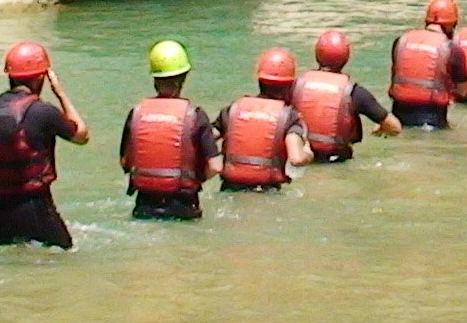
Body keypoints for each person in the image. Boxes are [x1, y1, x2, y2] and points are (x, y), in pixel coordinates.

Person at [0, 42, 88, 249]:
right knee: (64, 262)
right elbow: (81, 135)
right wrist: (60, 93)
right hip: (34, 207)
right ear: (42, 77)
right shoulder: (42, 112)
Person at [122, 40, 218, 219]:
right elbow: (215, 166)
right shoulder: (195, 115)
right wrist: (197, 179)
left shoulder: (136, 113)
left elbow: (125, 162)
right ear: (184, 77)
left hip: (144, 207)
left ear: (154, 79)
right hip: (184, 208)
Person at [294, 28, 399, 161]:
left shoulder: (296, 86)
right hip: (337, 162)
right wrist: (381, 130)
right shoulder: (354, 92)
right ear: (346, 58)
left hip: (301, 157)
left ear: (317, 54)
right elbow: (395, 127)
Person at [218, 50, 313, 192]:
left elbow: (208, 136)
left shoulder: (233, 109)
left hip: (230, 189)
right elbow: (296, 158)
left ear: (259, 79)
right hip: (266, 192)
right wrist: (308, 153)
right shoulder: (288, 117)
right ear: (290, 84)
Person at [390, 0, 462, 130]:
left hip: (398, 118)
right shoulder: (450, 48)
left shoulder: (401, 40)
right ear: (452, 24)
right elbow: (462, 87)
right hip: (432, 120)